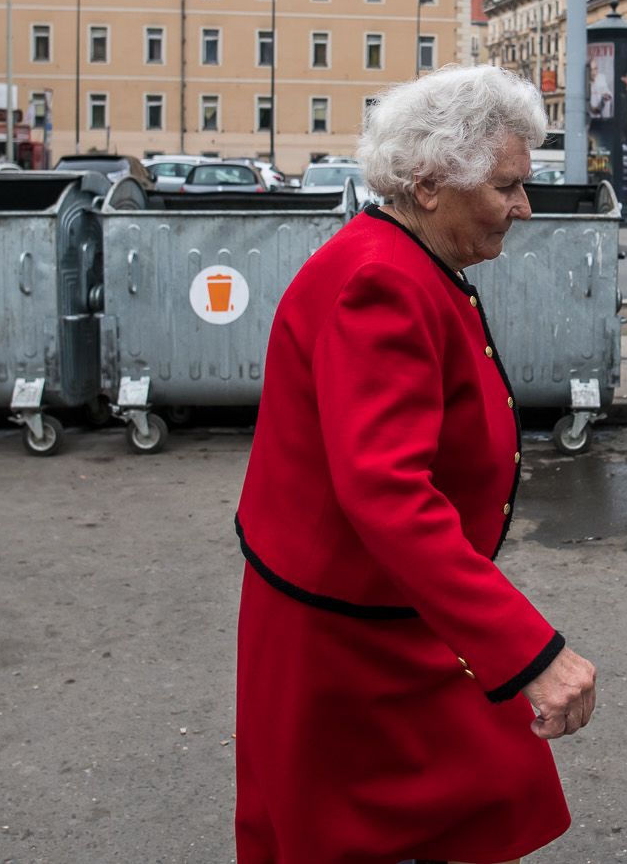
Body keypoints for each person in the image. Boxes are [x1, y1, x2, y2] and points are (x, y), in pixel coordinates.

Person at [234, 64, 595, 864]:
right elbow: (387, 489)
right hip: (350, 633)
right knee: (377, 824)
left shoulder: (403, 259)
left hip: (377, 608)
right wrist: (530, 651)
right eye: (507, 186)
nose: (523, 207)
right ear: (430, 183)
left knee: (470, 795)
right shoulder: (382, 281)